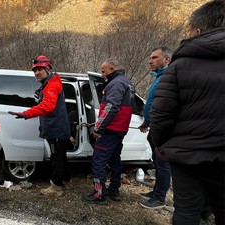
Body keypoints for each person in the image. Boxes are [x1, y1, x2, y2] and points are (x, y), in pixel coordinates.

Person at [150, 1, 225, 224]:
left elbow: (161, 114)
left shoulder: (179, 65)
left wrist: (161, 145)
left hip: (187, 156)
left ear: (199, 31)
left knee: (187, 212)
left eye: (189, 31)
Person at [9, 55, 71, 197]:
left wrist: (26, 114)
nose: (36, 73)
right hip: (56, 128)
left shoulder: (52, 85)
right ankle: (65, 179)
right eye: (34, 70)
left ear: (48, 69)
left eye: (40, 69)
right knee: (61, 156)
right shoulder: (49, 84)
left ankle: (56, 187)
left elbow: (47, 107)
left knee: (56, 157)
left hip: (55, 129)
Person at [82, 58, 135, 204]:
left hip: (111, 129)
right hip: (120, 129)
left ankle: (99, 194)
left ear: (112, 68)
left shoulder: (116, 83)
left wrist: (99, 127)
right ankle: (114, 191)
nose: (102, 74)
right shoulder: (127, 82)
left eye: (104, 71)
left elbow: (111, 107)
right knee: (115, 160)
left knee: (98, 161)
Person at [138, 47, 172, 209]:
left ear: (166, 60)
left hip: (163, 129)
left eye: (154, 58)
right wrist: (147, 121)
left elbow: (166, 106)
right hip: (154, 127)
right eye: (150, 58)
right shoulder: (159, 77)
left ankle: (159, 198)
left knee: (163, 164)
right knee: (157, 163)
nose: (150, 61)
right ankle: (156, 192)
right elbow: (152, 103)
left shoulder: (169, 78)